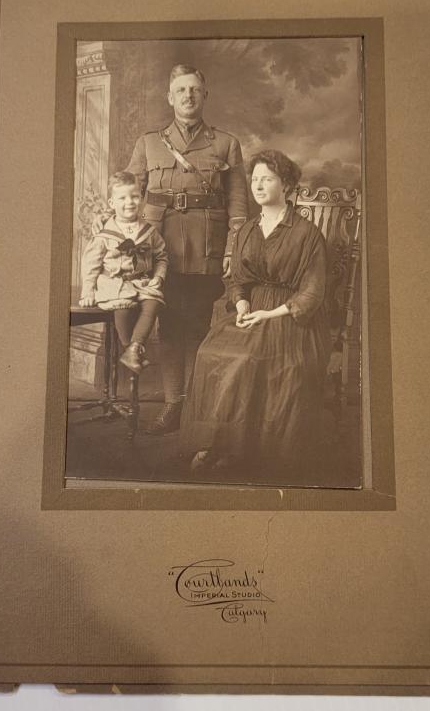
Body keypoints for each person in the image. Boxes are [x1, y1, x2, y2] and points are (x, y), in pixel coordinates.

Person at [101, 63, 249, 433]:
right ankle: (173, 406)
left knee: (199, 326)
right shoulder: (149, 143)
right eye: (181, 90)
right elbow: (128, 194)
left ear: (204, 96)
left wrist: (233, 245)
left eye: (195, 90)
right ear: (170, 98)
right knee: (167, 328)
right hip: (157, 248)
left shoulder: (226, 143)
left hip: (205, 246)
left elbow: (238, 201)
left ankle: (196, 407)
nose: (188, 96)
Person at [179, 149, 332, 475]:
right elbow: (236, 279)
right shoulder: (247, 229)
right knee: (211, 351)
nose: (259, 185)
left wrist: (269, 314)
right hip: (252, 310)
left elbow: (313, 292)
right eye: (256, 179)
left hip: (290, 318)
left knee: (249, 359)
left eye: (268, 179)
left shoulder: (307, 234)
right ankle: (219, 442)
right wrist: (242, 303)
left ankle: (238, 448)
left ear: (286, 184)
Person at [80, 171, 168, 374]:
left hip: (141, 282)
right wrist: (88, 292)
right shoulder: (104, 233)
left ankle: (134, 349)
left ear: (142, 198)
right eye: (122, 198)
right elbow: (91, 264)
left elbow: (161, 256)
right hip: (114, 283)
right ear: (111, 203)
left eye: (135, 196)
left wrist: (158, 277)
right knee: (124, 306)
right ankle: (130, 348)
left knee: (154, 302)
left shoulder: (149, 231)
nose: (130, 202)